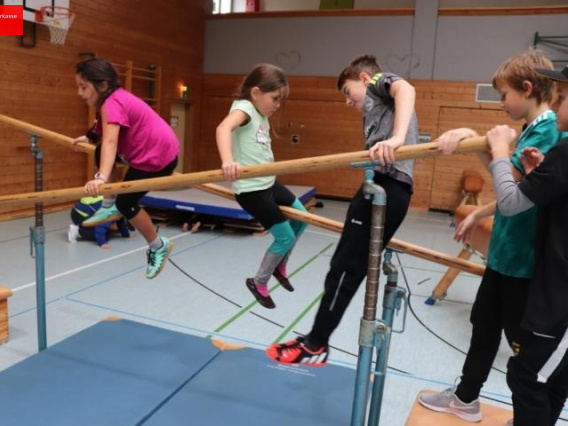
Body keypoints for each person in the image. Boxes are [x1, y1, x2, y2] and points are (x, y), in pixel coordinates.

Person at [418, 51, 562, 423]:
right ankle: (466, 397)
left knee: (522, 349)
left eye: (504, 95)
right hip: (504, 253)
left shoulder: (548, 129)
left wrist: (482, 142)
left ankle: (533, 416)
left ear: (526, 88)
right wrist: (479, 210)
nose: (501, 103)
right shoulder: (532, 128)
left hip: (523, 261)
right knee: (483, 323)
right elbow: (513, 183)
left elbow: (513, 188)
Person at [266, 54, 418, 364]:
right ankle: (316, 338)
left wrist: (398, 138)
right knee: (341, 266)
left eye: (348, 93)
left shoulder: (377, 83)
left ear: (363, 79)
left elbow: (406, 89)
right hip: (377, 185)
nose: (348, 102)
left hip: (389, 187)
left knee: (345, 269)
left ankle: (316, 344)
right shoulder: (375, 109)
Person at [487, 65, 568, 426]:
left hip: (560, 297)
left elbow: (509, 203)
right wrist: (539, 175)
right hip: (555, 287)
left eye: (562, 98)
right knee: (552, 378)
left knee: (527, 376)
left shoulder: (565, 148)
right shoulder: (562, 153)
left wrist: (500, 153)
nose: (557, 103)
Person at [73, 57, 179, 279]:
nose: (80, 93)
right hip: (151, 152)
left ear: (102, 85)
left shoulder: (112, 104)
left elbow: (111, 141)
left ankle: (158, 245)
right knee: (100, 151)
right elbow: (103, 131)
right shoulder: (114, 99)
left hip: (156, 158)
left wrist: (101, 178)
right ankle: (108, 204)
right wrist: (89, 136)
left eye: (83, 87)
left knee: (126, 203)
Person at [216, 63, 308, 309]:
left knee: (302, 217)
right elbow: (223, 128)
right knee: (285, 236)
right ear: (255, 93)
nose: (277, 105)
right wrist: (228, 160)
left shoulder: (262, 115)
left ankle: (279, 264)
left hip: (268, 183)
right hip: (252, 191)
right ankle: (259, 282)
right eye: (275, 98)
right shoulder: (245, 108)